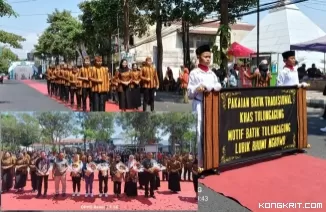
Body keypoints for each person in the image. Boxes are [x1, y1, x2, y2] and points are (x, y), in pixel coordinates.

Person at [187, 44, 221, 168]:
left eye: (209, 57)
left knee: (212, 132)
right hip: (199, 105)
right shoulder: (194, 73)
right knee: (200, 133)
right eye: (205, 56)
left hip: (211, 107)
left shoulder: (212, 74)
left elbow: (218, 85)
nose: (208, 59)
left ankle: (212, 163)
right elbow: (189, 93)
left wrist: (215, 87)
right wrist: (197, 88)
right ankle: (201, 165)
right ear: (199, 57)